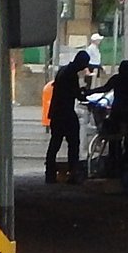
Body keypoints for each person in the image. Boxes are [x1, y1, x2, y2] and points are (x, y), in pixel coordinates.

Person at [88, 59, 128, 173]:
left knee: (114, 140)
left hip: (117, 113)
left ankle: (113, 166)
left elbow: (105, 88)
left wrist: (89, 92)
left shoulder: (116, 79)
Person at [45, 50, 92, 183]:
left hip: (56, 112)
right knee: (74, 143)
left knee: (55, 143)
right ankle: (73, 173)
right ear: (81, 62)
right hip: (65, 113)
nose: (85, 67)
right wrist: (87, 94)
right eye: (85, 64)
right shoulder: (71, 74)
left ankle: (50, 174)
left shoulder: (63, 70)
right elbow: (76, 94)